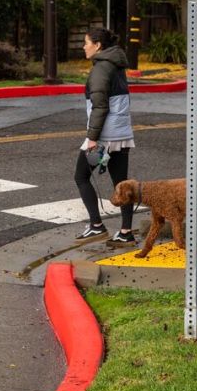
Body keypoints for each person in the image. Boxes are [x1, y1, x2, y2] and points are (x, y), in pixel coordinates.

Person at [74, 27, 137, 246]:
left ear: (98, 45)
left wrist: (92, 138)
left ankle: (96, 226)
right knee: (121, 183)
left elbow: (100, 107)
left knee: (81, 176)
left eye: (86, 42)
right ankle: (126, 231)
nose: (84, 46)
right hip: (121, 133)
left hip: (104, 136)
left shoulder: (101, 68)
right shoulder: (116, 65)